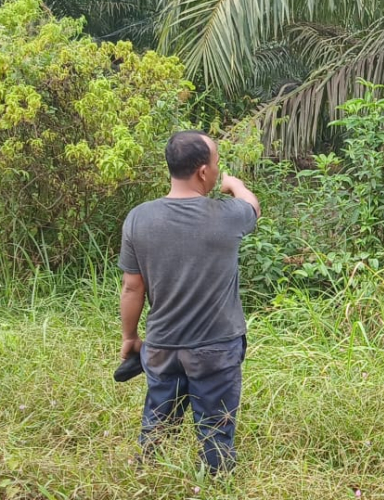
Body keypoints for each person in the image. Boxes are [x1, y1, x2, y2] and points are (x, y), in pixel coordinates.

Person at [118, 130, 260, 474]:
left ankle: (149, 478)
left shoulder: (139, 218)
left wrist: (129, 337)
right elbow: (253, 207)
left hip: (162, 346)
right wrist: (235, 185)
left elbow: (132, 288)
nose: (215, 170)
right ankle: (215, 483)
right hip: (216, 348)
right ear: (202, 172)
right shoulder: (227, 215)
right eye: (215, 164)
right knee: (215, 430)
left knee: (157, 424)